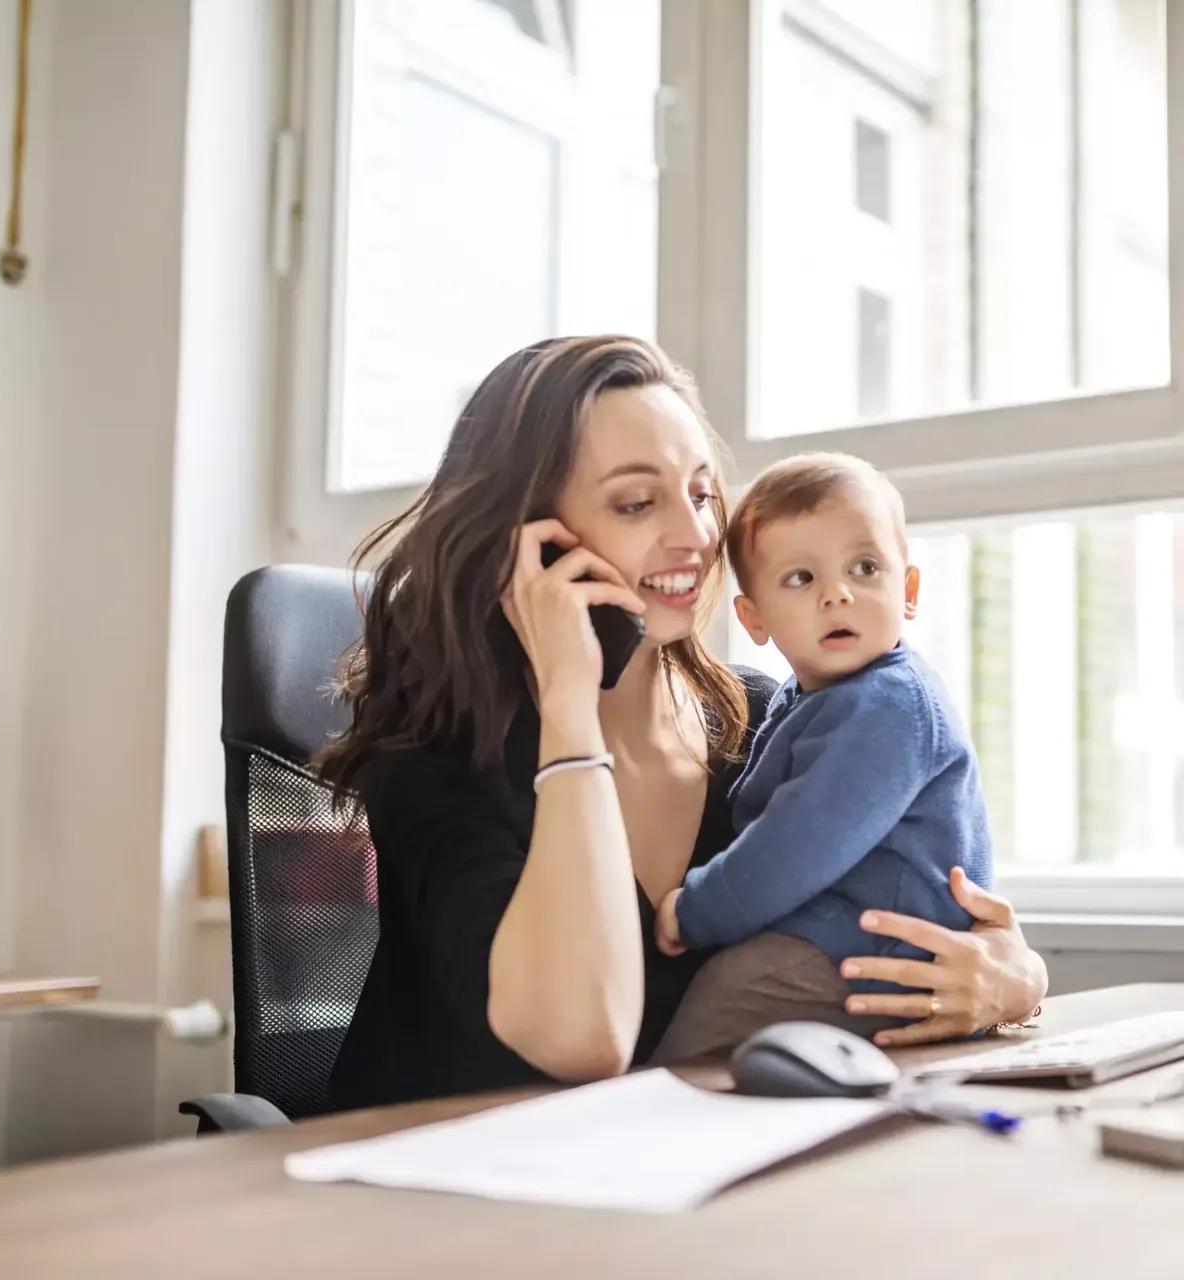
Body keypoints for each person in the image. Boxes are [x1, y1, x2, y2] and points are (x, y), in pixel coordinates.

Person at [317, 334, 1047, 1112]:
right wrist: (569, 705)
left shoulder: (763, 721)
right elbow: (585, 1039)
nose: (698, 537)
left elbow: (925, 917)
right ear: (529, 543)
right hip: (441, 1194)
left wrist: (1009, 975)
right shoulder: (433, 753)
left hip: (682, 1184)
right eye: (637, 502)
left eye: (701, 494)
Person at [652, 453, 993, 1062]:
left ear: (907, 590)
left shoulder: (889, 706)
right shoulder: (806, 697)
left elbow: (796, 843)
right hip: (848, 943)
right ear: (753, 618)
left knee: (707, 1028)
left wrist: (696, 911)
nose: (838, 595)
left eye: (864, 568)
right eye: (800, 579)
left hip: (872, 954)